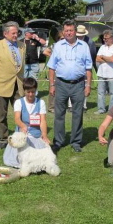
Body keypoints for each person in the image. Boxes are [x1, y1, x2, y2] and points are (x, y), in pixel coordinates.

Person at [47, 20, 92, 153]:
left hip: (78, 84)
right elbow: (51, 67)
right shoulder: (58, 46)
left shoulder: (84, 46)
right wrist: (52, 84)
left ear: (75, 31)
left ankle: (76, 142)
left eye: (71, 30)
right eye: (66, 31)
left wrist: (88, 85)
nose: (68, 33)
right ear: (63, 32)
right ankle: (58, 141)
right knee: (59, 114)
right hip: (61, 84)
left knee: (77, 114)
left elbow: (88, 68)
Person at [0, 21, 26, 149]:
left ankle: (21, 136)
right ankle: (3, 139)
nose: (16, 35)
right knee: (1, 115)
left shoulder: (22, 45)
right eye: (13, 33)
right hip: (1, 86)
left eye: (17, 33)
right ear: (5, 33)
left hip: (18, 86)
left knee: (21, 113)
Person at [3, 77, 51, 167]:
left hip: (35, 135)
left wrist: (44, 135)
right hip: (22, 135)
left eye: (33, 92)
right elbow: (17, 119)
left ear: (36, 90)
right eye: (28, 92)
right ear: (24, 91)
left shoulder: (41, 103)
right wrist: (22, 126)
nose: (30, 94)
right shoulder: (19, 102)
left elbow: (43, 121)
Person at [68, 25, 97, 113]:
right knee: (71, 84)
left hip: (85, 67)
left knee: (85, 86)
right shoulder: (72, 41)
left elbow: (92, 56)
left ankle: (83, 105)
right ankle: (70, 105)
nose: (79, 36)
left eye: (81, 35)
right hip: (73, 66)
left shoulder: (90, 42)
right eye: (78, 35)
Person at [95, 29, 113, 114]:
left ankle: (112, 109)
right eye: (104, 38)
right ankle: (101, 109)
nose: (105, 40)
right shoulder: (102, 47)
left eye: (106, 38)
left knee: (112, 93)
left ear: (112, 38)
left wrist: (103, 57)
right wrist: (107, 59)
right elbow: (97, 58)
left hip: (112, 73)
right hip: (101, 72)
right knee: (100, 92)